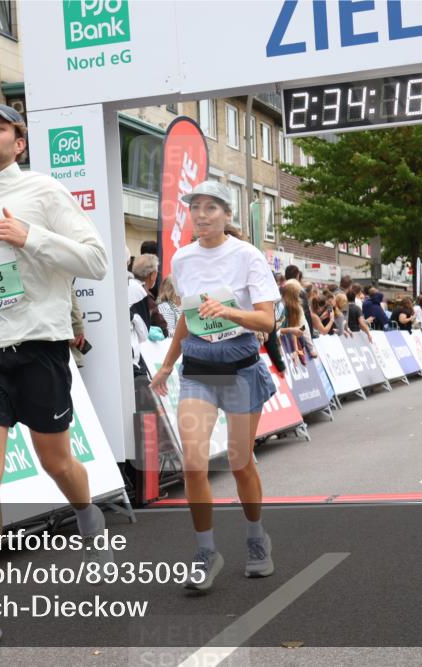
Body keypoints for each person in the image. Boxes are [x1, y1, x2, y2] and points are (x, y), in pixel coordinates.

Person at [0, 103, 108, 643]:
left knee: (55, 460)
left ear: (19, 143)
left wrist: (31, 237)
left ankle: (86, 510)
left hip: (39, 346)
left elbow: (97, 261)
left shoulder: (45, 193)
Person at [149, 180, 280, 592]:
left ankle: (257, 538)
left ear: (227, 214)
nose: (201, 215)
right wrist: (168, 365)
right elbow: (189, 317)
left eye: (211, 208)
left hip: (240, 366)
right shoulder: (183, 259)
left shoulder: (247, 256)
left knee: (241, 463)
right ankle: (206, 550)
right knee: (193, 463)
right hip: (200, 367)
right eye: (195, 208)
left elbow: (267, 321)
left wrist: (228, 311)